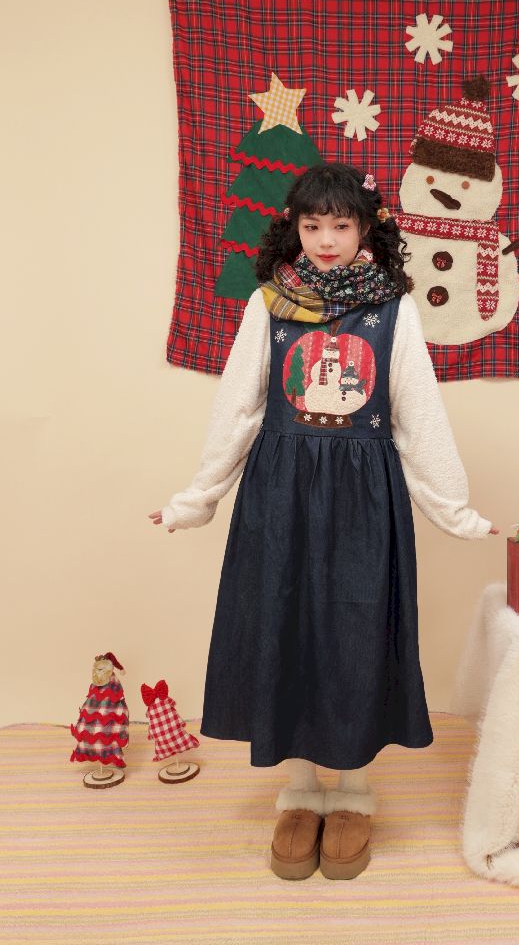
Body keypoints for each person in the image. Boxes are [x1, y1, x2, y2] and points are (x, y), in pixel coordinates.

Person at [149, 161, 498, 880]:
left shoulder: (394, 309)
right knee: (287, 625)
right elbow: (237, 408)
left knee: (354, 631)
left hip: (362, 495)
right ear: (295, 229)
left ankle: (354, 793)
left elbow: (418, 414)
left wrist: (453, 508)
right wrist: (198, 497)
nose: (328, 239)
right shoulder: (268, 304)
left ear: (366, 228)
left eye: (341, 225)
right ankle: (302, 790)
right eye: (313, 225)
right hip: (280, 491)